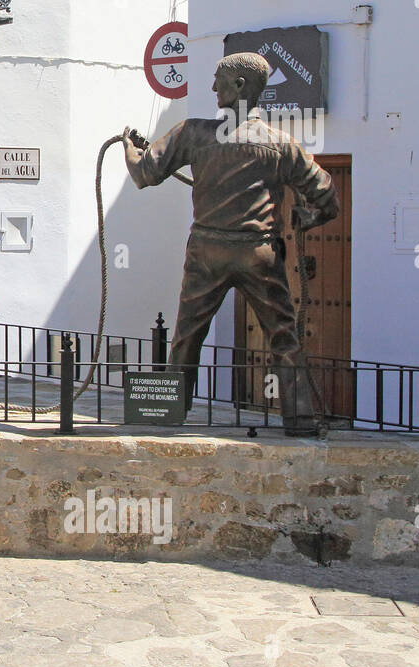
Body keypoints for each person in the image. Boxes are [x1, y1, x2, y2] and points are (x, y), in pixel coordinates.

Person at [121, 52, 339, 436]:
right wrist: (310, 217)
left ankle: (168, 414)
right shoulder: (281, 144)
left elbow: (145, 174)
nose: (211, 87)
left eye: (218, 79)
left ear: (239, 85)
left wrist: (130, 148)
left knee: (187, 336)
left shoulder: (193, 133)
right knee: (283, 336)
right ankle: (300, 418)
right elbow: (326, 195)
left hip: (206, 251)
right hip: (259, 253)